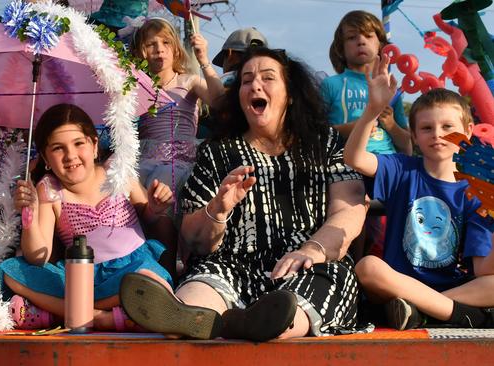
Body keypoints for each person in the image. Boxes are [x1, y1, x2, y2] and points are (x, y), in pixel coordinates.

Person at [119, 47, 367, 341]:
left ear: (289, 93)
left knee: (318, 288)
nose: (255, 85)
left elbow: (349, 210)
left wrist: (312, 250)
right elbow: (193, 239)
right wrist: (217, 210)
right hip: (231, 265)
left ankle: (260, 323)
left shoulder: (323, 142)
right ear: (238, 95)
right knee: (203, 285)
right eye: (246, 80)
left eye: (268, 77)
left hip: (307, 263)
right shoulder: (217, 151)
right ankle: (188, 314)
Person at [344, 55, 494, 330]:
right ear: (413, 135)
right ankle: (453, 314)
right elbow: (354, 158)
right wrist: (372, 111)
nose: (438, 134)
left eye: (448, 127)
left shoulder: (477, 192)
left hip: (452, 289)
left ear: (468, 131)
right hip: (396, 284)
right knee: (367, 267)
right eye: (427, 128)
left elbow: (484, 270)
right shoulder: (403, 169)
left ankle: (422, 311)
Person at [0, 104, 175, 331]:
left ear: (94, 146)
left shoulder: (117, 171)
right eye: (58, 148)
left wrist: (155, 207)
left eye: (78, 143)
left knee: (148, 281)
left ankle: (83, 315)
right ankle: (108, 316)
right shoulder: (49, 190)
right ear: (45, 157)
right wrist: (29, 215)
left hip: (134, 270)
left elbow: (148, 218)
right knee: (11, 271)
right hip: (80, 279)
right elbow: (37, 256)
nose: (70, 155)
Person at [131, 18, 224, 265]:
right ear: (142, 51)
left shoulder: (188, 82)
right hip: (145, 158)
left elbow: (220, 102)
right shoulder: (136, 85)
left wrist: (204, 60)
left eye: (165, 42)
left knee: (164, 181)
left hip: (179, 159)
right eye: (151, 44)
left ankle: (170, 264)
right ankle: (141, 260)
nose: (159, 49)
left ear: (175, 49)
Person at [322, 10, 411, 259]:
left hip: (388, 166)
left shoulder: (393, 89)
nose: (360, 41)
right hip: (347, 165)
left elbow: (407, 144)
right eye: (352, 37)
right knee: (359, 222)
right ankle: (356, 271)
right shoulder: (331, 85)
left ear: (380, 44)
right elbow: (317, 133)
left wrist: (392, 125)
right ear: (341, 48)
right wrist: (360, 124)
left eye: (368, 35)